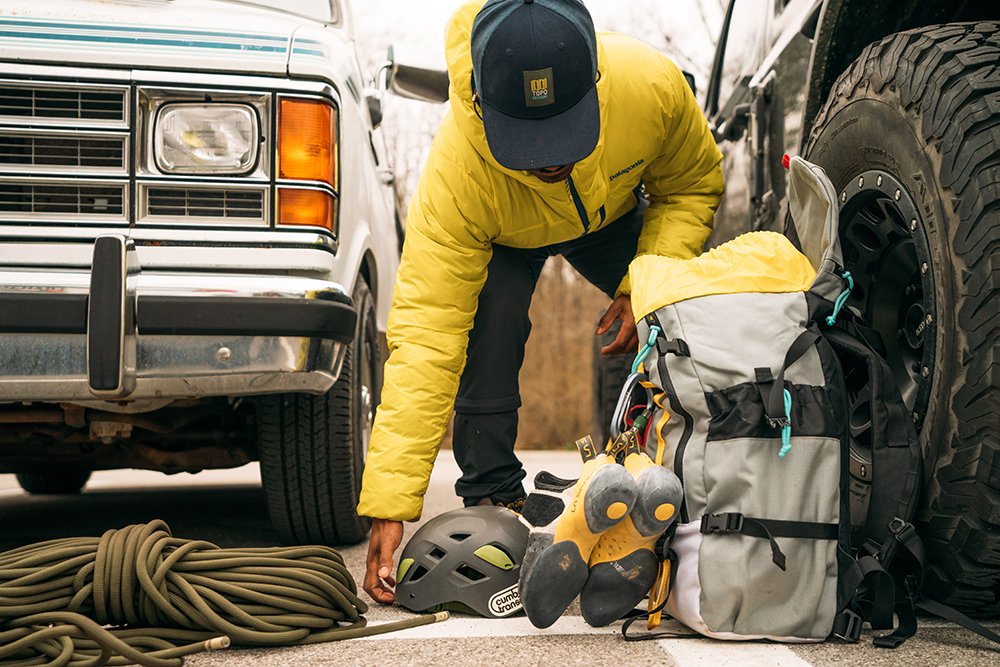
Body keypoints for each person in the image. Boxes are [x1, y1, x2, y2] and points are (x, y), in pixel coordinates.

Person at [359, 0, 724, 604]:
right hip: (505, 231)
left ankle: (682, 467)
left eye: (565, 133)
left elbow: (692, 184)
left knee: (680, 308)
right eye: (532, 141)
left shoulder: (648, 85)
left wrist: (643, 286)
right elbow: (426, 339)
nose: (553, 158)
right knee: (487, 314)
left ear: (596, 87)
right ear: (482, 106)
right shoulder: (456, 179)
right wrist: (391, 502)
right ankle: (492, 494)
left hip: (608, 217)